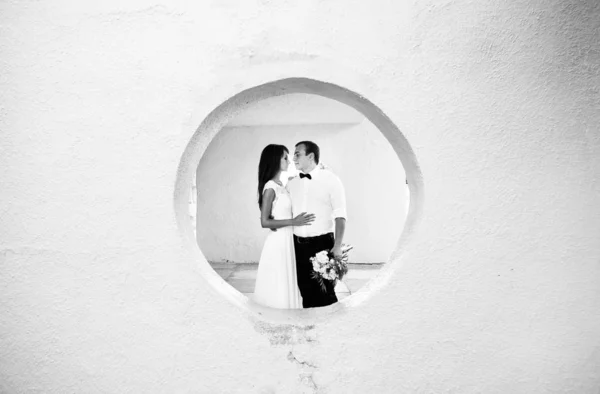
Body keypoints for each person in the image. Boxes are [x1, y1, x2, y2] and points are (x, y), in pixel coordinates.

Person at [253, 144, 315, 309]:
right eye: (285, 157)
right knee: (279, 282)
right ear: (274, 160)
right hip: (278, 242)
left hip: (289, 240)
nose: (289, 161)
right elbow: (264, 222)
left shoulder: (281, 184)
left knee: (289, 279)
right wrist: (293, 222)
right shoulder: (270, 187)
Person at [287, 141, 347, 308]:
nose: (293, 158)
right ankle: (311, 330)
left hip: (322, 244)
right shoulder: (292, 183)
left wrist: (337, 246)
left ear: (310, 156)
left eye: (298, 154)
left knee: (325, 292)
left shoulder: (331, 180)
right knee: (305, 291)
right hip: (297, 245)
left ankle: (332, 329)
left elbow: (340, 215)